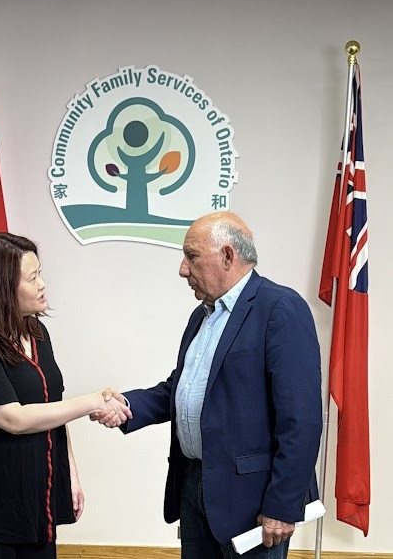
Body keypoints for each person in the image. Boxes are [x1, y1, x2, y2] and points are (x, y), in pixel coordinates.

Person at [93, 212, 322, 559]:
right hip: (195, 488)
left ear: (227, 256)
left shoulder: (280, 308)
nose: (183, 269)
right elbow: (183, 389)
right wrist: (126, 405)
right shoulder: (202, 315)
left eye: (192, 256)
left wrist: (283, 504)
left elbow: (301, 420)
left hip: (253, 501)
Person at [0, 232, 131, 559]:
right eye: (32, 278)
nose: (43, 284)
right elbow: (13, 418)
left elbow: (54, 407)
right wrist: (94, 401)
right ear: (2, 287)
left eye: (40, 273)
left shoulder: (37, 332)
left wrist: (70, 473)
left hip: (37, 498)